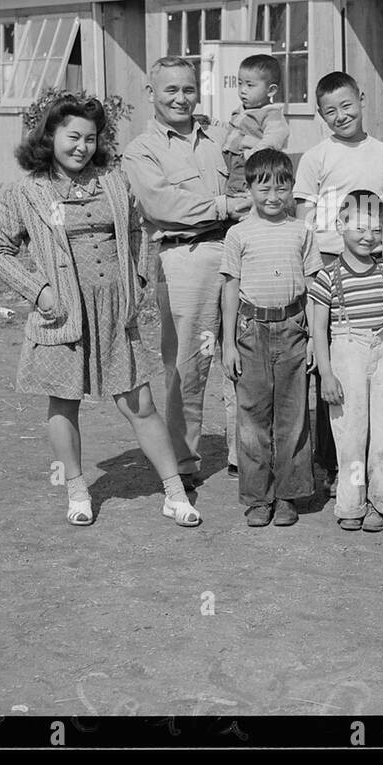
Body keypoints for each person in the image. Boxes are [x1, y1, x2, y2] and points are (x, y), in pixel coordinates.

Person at [0, 95, 200, 528]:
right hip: (63, 314)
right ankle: (77, 490)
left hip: (114, 312)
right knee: (64, 405)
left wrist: (139, 281)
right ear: (50, 136)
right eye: (72, 137)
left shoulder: (114, 181)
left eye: (90, 138)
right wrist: (39, 289)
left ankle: (174, 493)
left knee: (140, 404)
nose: (82, 146)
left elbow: (140, 232)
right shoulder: (25, 191)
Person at [122, 57, 251, 489]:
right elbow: (162, 206)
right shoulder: (141, 150)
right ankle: (183, 461)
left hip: (237, 248)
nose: (181, 98)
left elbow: (253, 175)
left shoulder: (219, 136)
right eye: (171, 90)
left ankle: (245, 454)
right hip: (184, 256)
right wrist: (224, 206)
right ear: (152, 93)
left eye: (189, 89)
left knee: (246, 351)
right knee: (188, 364)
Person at [294, 72, 383, 497]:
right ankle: (335, 465)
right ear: (320, 115)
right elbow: (304, 219)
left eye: (346, 106)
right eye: (330, 112)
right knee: (335, 366)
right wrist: (311, 268)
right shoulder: (316, 157)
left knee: (376, 365)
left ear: (362, 98)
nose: (341, 116)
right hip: (329, 264)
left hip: (373, 263)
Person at [220, 148, 322, 527]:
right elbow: (230, 290)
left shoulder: (302, 231)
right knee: (251, 419)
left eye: (282, 188)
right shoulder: (238, 234)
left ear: (292, 189)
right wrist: (228, 343)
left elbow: (313, 286)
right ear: (249, 188)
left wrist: (314, 337)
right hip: (250, 332)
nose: (273, 197)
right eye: (263, 188)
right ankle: (258, 497)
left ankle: (289, 495)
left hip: (294, 328)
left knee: (293, 417)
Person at [309, 190, 383, 532]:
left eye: (375, 229)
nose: (368, 236)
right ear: (340, 225)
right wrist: (325, 374)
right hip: (345, 360)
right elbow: (319, 330)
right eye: (360, 228)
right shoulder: (327, 278)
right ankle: (351, 504)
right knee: (351, 436)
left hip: (382, 357)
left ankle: (382, 502)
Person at [222, 53, 290, 196]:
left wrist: (250, 155)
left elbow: (274, 139)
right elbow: (231, 129)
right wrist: (211, 122)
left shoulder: (271, 114)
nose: (243, 90)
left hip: (249, 164)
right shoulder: (242, 110)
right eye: (240, 83)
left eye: (250, 85)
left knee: (240, 196)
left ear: (271, 90)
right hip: (232, 164)